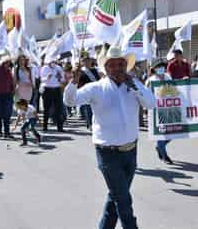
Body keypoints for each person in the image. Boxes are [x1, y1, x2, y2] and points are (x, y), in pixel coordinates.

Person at [64, 46, 155, 229]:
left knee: (116, 197)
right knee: (123, 200)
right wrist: (73, 82)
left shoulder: (134, 85)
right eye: (112, 65)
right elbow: (70, 101)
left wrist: (135, 86)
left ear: (126, 66)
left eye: (121, 64)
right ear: (105, 68)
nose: (117, 68)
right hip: (108, 154)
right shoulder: (96, 88)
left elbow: (151, 103)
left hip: (130, 151)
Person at [145, 58, 173, 164]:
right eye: (158, 67)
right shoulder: (151, 81)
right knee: (162, 133)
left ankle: (159, 146)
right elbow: (146, 95)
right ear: (154, 69)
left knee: (172, 133)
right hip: (156, 110)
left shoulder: (168, 77)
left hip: (169, 108)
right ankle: (165, 156)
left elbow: (175, 89)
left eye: (162, 66)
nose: (161, 68)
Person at [40, 57, 65, 132]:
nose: (53, 62)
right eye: (51, 61)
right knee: (46, 109)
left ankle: (60, 127)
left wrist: (60, 78)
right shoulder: (44, 68)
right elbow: (41, 79)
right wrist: (47, 78)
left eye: (54, 61)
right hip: (47, 90)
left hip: (57, 89)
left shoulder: (59, 68)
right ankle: (45, 126)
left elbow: (63, 80)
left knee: (58, 109)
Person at [78, 52, 100, 130]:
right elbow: (79, 82)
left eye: (88, 60)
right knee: (88, 108)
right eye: (85, 61)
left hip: (96, 91)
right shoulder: (81, 71)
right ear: (83, 62)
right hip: (86, 91)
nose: (87, 62)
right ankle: (90, 124)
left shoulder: (95, 70)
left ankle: (95, 123)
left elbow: (99, 80)